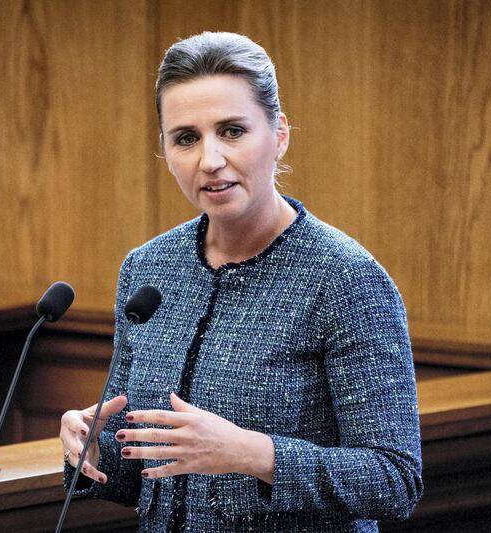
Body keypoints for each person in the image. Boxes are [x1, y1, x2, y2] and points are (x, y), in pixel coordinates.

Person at [60, 31, 423, 532]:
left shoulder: (344, 278)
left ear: (279, 135)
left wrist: (254, 453)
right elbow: (135, 481)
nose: (209, 160)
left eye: (232, 130)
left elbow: (394, 481)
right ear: (165, 150)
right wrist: (90, 447)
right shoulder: (148, 269)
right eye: (185, 138)